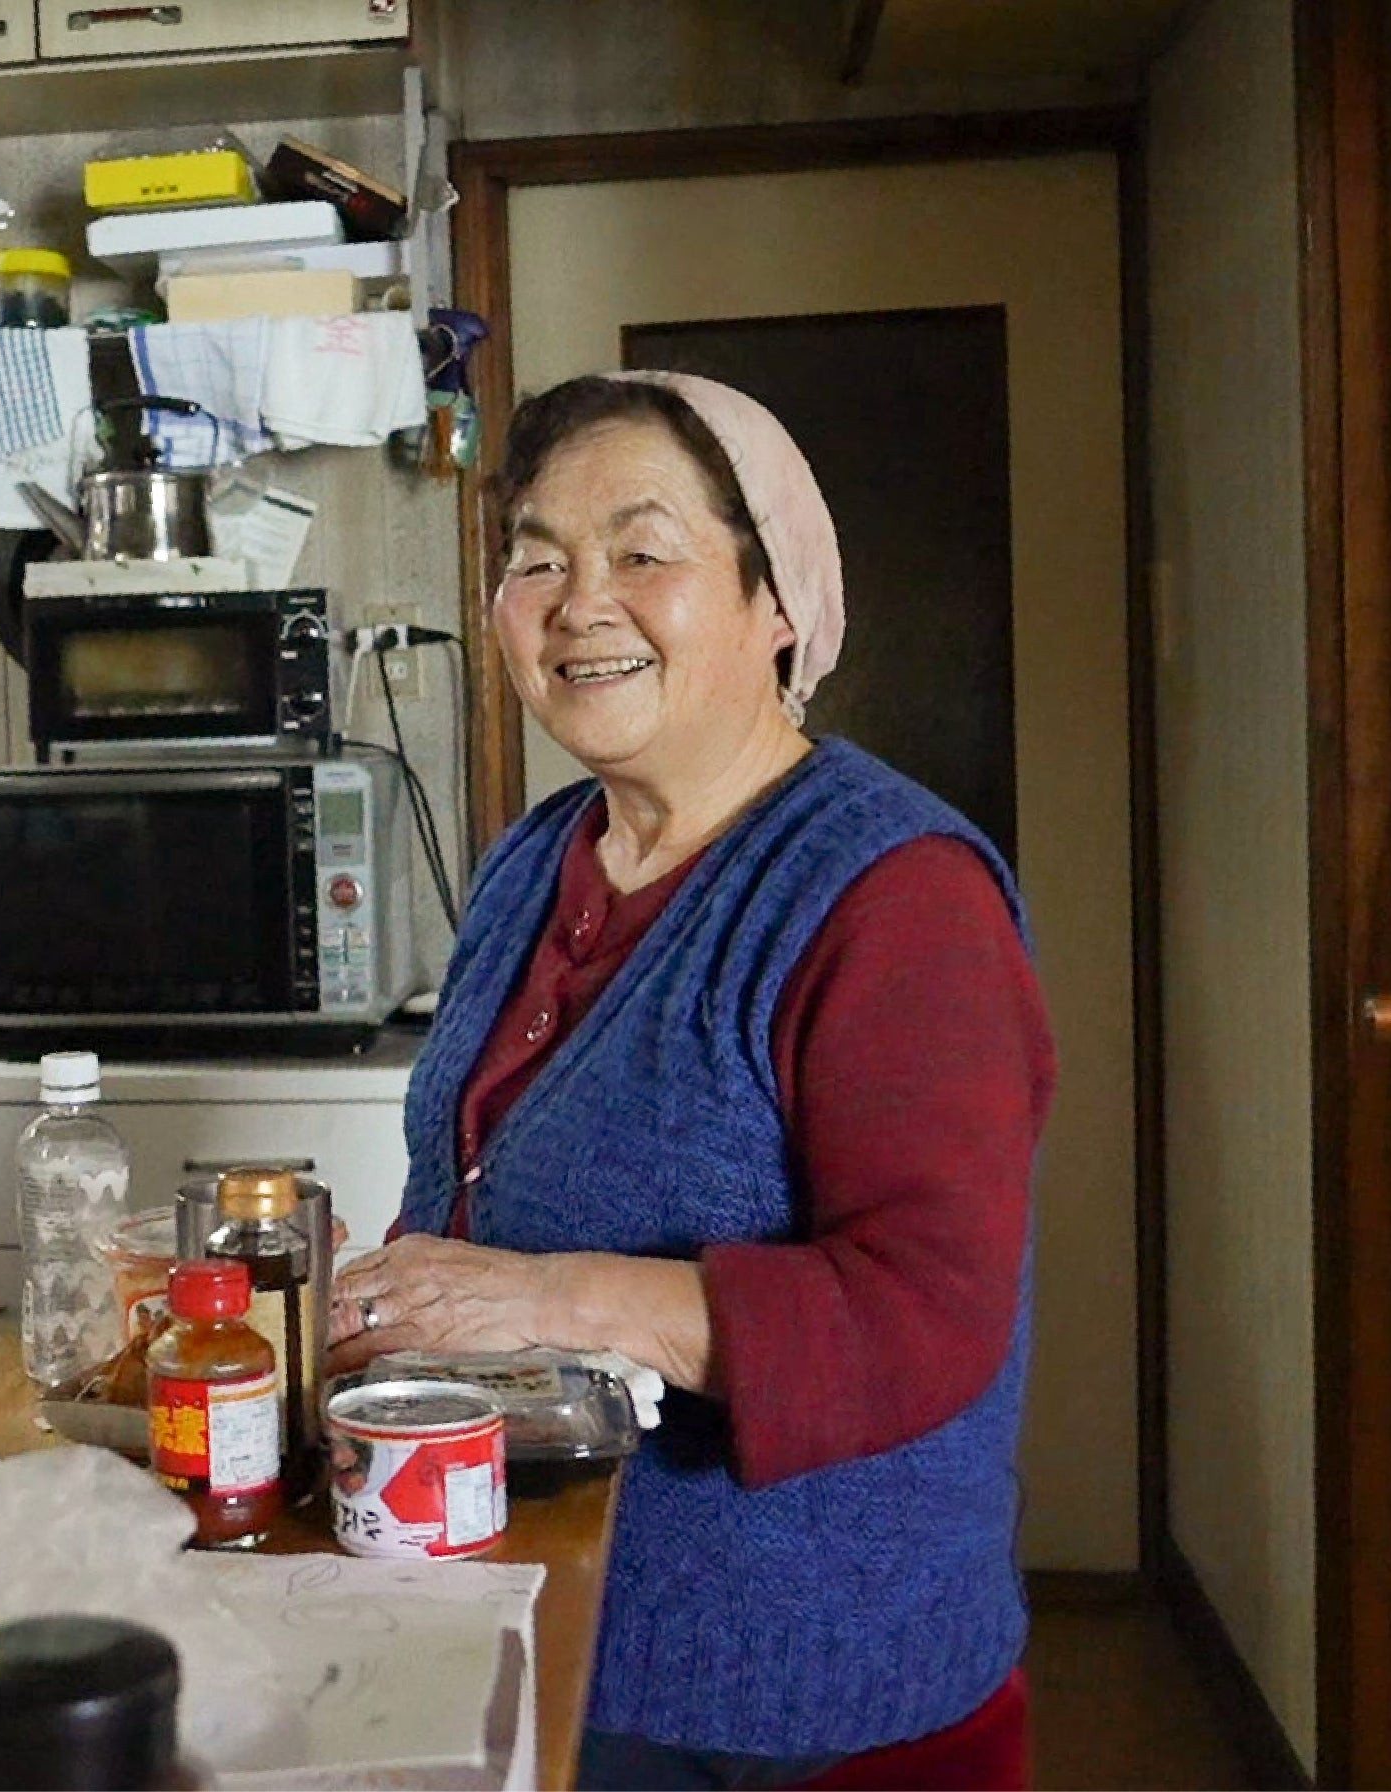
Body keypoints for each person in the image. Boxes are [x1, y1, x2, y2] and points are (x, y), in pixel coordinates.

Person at [327, 371, 1056, 1790]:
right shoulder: (531, 863)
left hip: (803, 1703)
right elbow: (464, 1206)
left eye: (642, 553)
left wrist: (553, 1299)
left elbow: (928, 1317)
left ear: (773, 601)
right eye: (538, 560)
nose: (577, 605)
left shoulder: (897, 896)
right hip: (541, 1622)